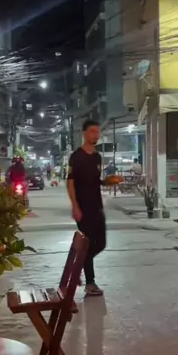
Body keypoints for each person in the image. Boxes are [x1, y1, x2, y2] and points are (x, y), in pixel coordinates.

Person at [67, 119, 106, 297]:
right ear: (84, 134)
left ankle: (78, 266)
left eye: (97, 132)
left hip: (97, 206)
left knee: (101, 243)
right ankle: (90, 282)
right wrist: (75, 206)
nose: (95, 135)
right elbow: (70, 183)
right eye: (92, 131)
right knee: (88, 243)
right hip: (83, 208)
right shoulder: (76, 157)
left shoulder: (97, 157)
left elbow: (96, 181)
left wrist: (107, 182)